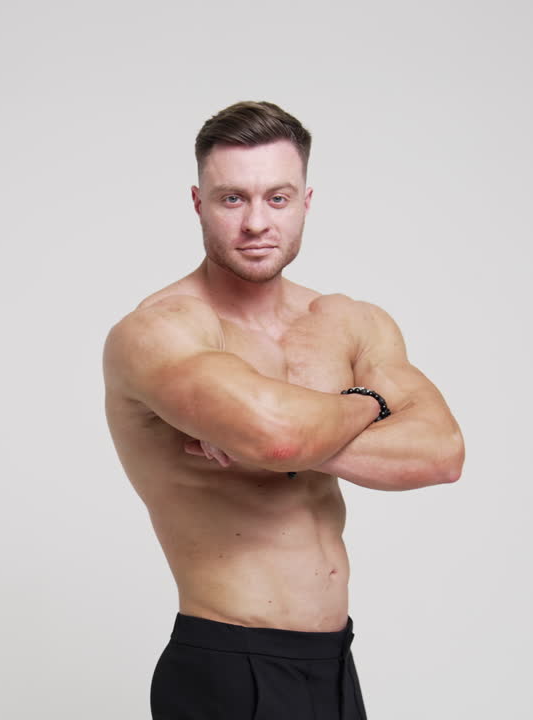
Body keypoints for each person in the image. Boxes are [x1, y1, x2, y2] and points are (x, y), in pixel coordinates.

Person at [101, 100, 465, 720]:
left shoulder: (348, 320)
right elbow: (275, 439)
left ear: (305, 201)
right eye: (231, 199)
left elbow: (441, 452)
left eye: (277, 198)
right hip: (228, 664)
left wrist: (320, 419)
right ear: (197, 203)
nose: (255, 222)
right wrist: (374, 409)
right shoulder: (163, 330)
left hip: (334, 664)